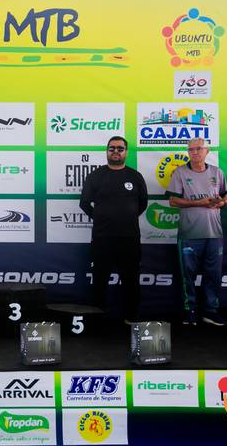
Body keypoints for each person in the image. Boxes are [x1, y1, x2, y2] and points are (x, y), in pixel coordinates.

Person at [80, 136, 148, 323]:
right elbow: (84, 203)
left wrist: (125, 218)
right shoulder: (96, 175)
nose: (115, 151)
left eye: (120, 148)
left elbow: (143, 203)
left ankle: (132, 317)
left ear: (126, 152)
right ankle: (98, 318)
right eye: (112, 148)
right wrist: (101, 218)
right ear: (107, 151)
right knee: (100, 279)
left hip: (129, 237)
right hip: (103, 237)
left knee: (131, 279)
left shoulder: (135, 176)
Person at [167, 138, 227, 327]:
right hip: (189, 234)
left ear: (207, 151)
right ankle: (190, 311)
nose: (194, 152)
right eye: (191, 149)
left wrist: (222, 202)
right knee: (188, 275)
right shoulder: (180, 172)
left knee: (214, 275)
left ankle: (210, 312)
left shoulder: (217, 172)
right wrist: (200, 203)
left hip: (214, 233)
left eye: (198, 148)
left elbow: (225, 196)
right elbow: (173, 201)